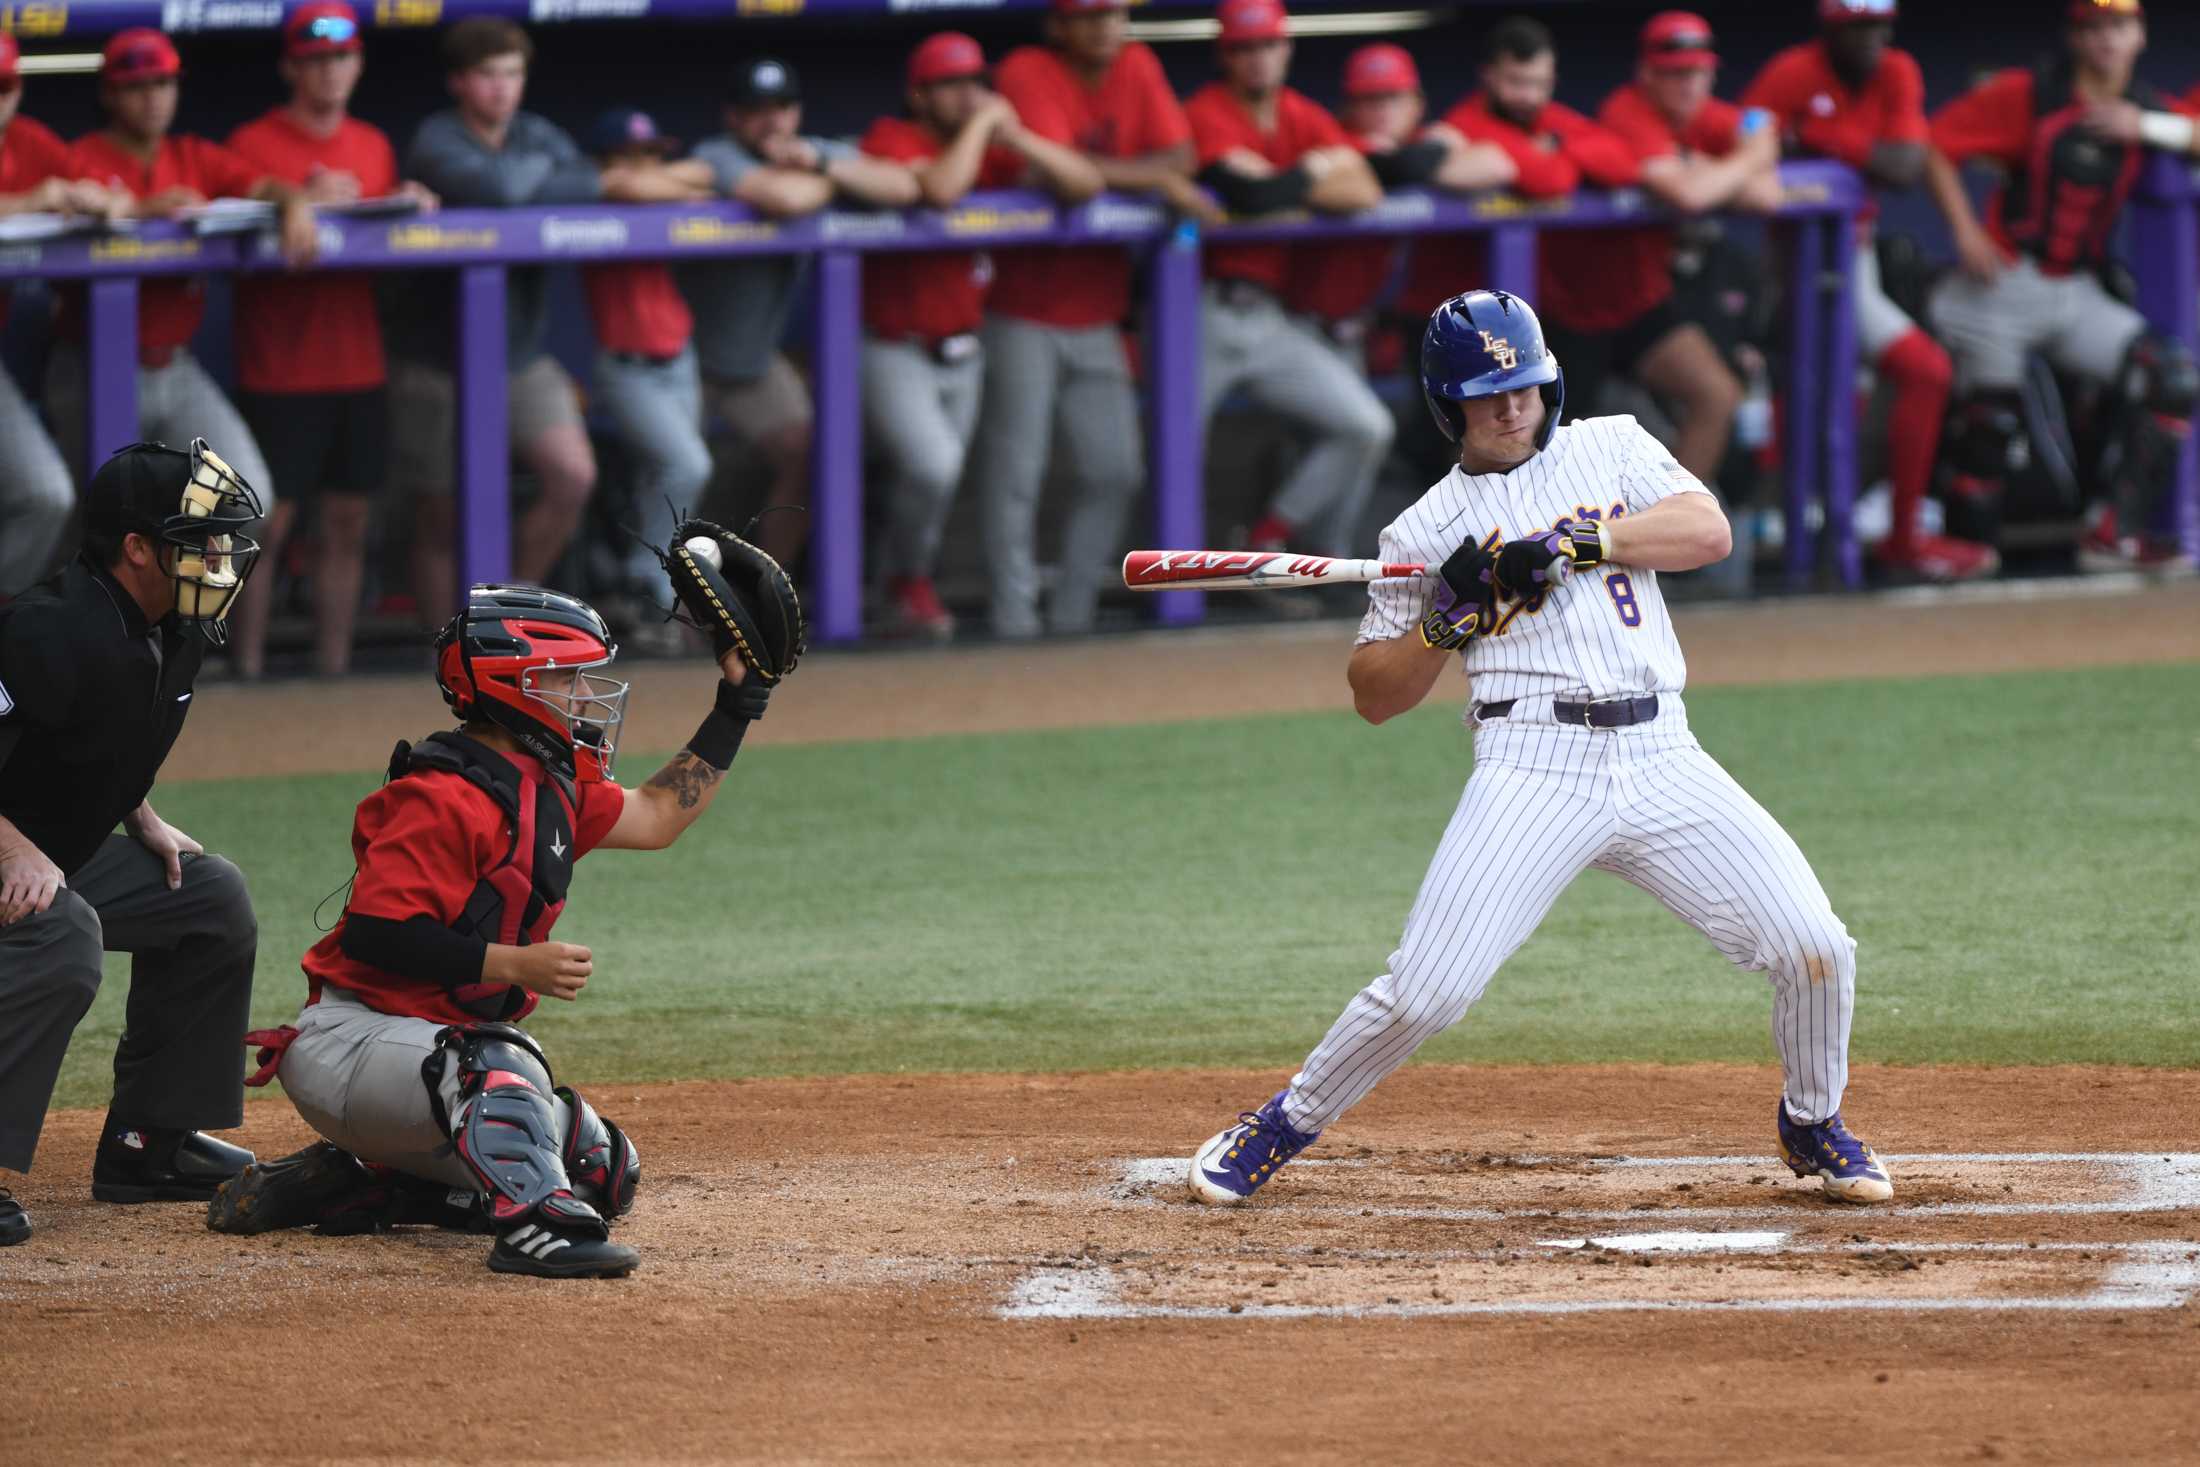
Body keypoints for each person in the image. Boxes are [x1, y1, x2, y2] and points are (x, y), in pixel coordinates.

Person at [1187, 290, 1892, 1211]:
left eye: (1523, 384)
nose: (1512, 406)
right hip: (1532, 765)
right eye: (1489, 394)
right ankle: (1282, 1120)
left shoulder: (1612, 446)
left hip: (1663, 754)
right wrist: (1448, 621)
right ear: (1450, 407)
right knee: (1427, 992)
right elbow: (1373, 695)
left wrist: (1585, 539)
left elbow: (1706, 529)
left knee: (1816, 947)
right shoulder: (1424, 532)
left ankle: (1811, 1121)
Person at [207, 585, 771, 1278]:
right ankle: (533, 1230)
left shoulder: (550, 785)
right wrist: (513, 963)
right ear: (515, 687)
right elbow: (376, 935)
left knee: (601, 1167)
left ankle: (366, 1181)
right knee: (500, 1063)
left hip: (420, 1069)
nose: (585, 695)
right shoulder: (442, 795)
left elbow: (659, 814)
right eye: (566, 678)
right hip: (349, 1045)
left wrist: (740, 702)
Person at [0, 440, 267, 1248]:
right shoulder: (47, 630)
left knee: (210, 898)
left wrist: (136, 811)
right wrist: (11, 846)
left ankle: (148, 1144)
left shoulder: (173, 625)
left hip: (52, 857)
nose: (220, 558)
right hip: (15, 861)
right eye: (201, 539)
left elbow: (93, 737)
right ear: (137, 550)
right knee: (63, 931)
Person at [45, 28, 316, 668]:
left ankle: (166, 634)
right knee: (76, 521)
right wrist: (142, 209)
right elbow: (70, 215)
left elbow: (262, 185)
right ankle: (56, 654)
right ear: (111, 93)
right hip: (91, 364)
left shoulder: (195, 154)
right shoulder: (76, 154)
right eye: (137, 86)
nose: (153, 98)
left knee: (249, 499)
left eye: (163, 83)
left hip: (176, 362)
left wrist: (293, 200)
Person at [392, 18, 657, 626]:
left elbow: (586, 182)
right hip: (436, 356)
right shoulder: (436, 139)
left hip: (518, 353)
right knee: (439, 513)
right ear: (459, 82)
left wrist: (561, 181)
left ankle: (500, 620)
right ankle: (444, 652)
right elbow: (502, 189)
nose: (502, 88)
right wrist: (558, 182)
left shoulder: (537, 133)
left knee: (573, 475)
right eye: (487, 74)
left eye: (512, 73)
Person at [1923, 0, 2199, 573]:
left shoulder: (2144, 106)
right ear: (2074, 38)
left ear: (2141, 35)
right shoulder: (2033, 93)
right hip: (2003, 282)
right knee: (1990, 423)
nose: (2106, 41)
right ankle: (1966, 550)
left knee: (2172, 376)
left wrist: (2145, 126)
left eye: (2119, 27)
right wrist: (1965, 230)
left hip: (2075, 293)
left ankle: (2111, 533)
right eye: (2093, 28)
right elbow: (1934, 144)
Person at [972, 0, 1214, 638]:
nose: (1108, 24)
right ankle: (1013, 622)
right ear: (1058, 24)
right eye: (1090, 14)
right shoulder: (1028, 68)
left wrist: (1152, 176)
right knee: (1016, 475)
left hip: (1097, 312)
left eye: (1115, 12)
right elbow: (1066, 178)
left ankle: (1072, 619)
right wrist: (1152, 181)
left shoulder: (1137, 62)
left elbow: (1182, 158)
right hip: (1021, 306)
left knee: (1114, 469)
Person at [857, 33, 1100, 640]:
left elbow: (1083, 183)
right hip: (894, 345)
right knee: (934, 467)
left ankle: (903, 583)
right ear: (919, 94)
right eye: (950, 84)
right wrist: (986, 123)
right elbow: (940, 188)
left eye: (976, 82)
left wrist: (1014, 136)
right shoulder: (891, 137)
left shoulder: (989, 149)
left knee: (940, 476)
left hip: (964, 347)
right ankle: (900, 579)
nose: (969, 95)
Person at [1744, 0, 1993, 583]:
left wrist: (1820, 135)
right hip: (1796, 260)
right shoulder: (1789, 73)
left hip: (1854, 254)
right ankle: (1823, 529)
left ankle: (1889, 530)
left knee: (1907, 378)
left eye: (1880, 25)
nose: (1872, 38)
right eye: (1858, 27)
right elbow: (1747, 140)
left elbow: (1906, 165)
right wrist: (1851, 146)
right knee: (1898, 376)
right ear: (1831, 28)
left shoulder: (1898, 69)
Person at [226, 2, 436, 677]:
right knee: (266, 527)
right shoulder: (253, 142)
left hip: (358, 360)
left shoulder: (372, 145)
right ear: (291, 66)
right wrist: (298, 198)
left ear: (358, 62)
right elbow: (229, 217)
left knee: (347, 523)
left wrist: (408, 205)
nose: (330, 70)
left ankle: (333, 671)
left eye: (342, 56)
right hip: (279, 365)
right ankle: (249, 670)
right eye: (315, 59)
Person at [679, 58, 920, 570]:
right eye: (756, 110)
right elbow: (785, 199)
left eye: (783, 108)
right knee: (675, 479)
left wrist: (823, 164)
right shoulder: (715, 154)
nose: (773, 122)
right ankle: (663, 605)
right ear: (733, 116)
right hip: (683, 361)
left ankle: (766, 593)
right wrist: (831, 181)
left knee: (813, 456)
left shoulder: (814, 153)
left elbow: (903, 188)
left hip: (751, 364)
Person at [1538, 12, 1774, 497]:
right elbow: (1690, 195)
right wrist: (1740, 161)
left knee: (1718, 393)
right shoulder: (1627, 110)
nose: (1689, 85)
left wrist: (1719, 165)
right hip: (1574, 307)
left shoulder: (1706, 117)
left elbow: (1766, 183)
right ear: (1648, 73)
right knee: (1548, 448)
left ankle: (1671, 535)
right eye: (1675, 72)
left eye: (1698, 71)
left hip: (1642, 299)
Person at [1188, 0, 1391, 564]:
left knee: (1364, 425)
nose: (1257, 59)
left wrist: (1288, 181)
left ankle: (1267, 540)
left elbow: (1364, 193)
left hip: (1270, 319)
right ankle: (1172, 594)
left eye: (1268, 45)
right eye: (1243, 48)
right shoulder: (1206, 109)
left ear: (1287, 47)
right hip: (1197, 310)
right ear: (1224, 53)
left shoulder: (1302, 114)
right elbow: (1249, 194)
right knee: (1176, 453)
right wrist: (1318, 170)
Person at [1391, 16, 1639, 474]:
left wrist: (1544, 153)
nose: (1528, 94)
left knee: (1520, 444)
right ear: (1489, 74)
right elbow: (1551, 178)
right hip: (1442, 320)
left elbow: (1622, 165)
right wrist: (1546, 157)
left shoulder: (1553, 123)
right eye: (1515, 81)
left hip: (1513, 323)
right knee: (1446, 446)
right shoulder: (1462, 123)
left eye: (1538, 82)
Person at [574, 107, 720, 655]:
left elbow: (707, 174)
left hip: (679, 356)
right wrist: (655, 184)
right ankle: (646, 582)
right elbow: (626, 187)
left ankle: (643, 590)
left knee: (664, 477)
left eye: (655, 153)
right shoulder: (597, 195)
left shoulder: (661, 189)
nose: (650, 166)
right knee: (688, 464)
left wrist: (663, 181)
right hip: (627, 365)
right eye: (636, 155)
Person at [1283, 43, 1516, 364]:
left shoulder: (1419, 145)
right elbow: (1387, 165)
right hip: (1307, 323)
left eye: (1393, 97)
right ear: (1349, 107)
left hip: (1381, 320)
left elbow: (1498, 164)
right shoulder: (1335, 143)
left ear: (1417, 103)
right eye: (1369, 99)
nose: (1383, 110)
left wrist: (1425, 158)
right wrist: (1433, 152)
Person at [0, 33, 125, 600]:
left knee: (45, 493)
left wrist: (106, 200)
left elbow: (96, 187)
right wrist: (32, 199)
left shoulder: (30, 143)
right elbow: (43, 193)